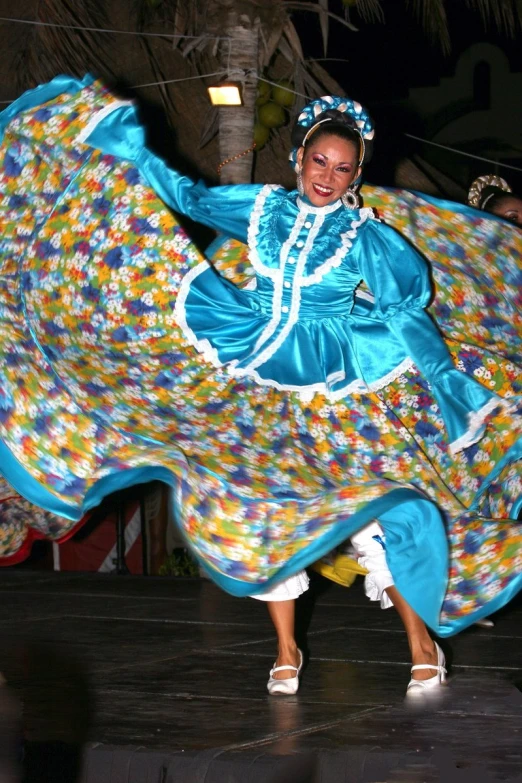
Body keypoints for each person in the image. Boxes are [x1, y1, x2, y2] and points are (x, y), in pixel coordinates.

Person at [0, 78, 520, 701]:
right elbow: (187, 196)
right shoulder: (262, 208)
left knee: (380, 509)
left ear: (355, 176)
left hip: (336, 380)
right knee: (265, 504)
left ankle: (420, 643)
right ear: (300, 158)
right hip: (250, 366)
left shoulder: (368, 237)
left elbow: (407, 313)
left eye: (343, 168)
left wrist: (444, 380)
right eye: (319, 161)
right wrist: (134, 154)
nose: (327, 176)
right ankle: (285, 646)